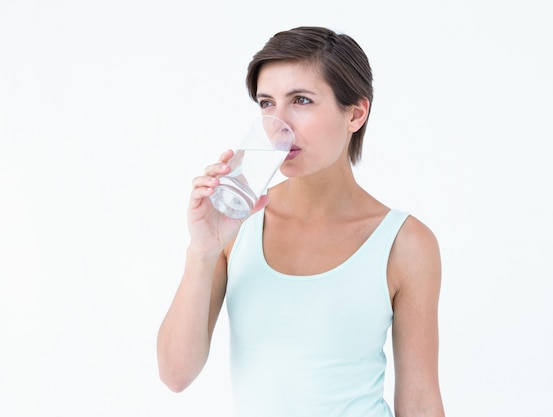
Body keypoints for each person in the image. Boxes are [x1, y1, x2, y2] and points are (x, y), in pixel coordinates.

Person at [157, 26, 445, 417]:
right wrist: (203, 250)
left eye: (302, 100)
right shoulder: (235, 225)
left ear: (356, 114)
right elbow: (176, 374)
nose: (280, 124)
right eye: (266, 104)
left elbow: (420, 401)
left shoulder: (405, 243)